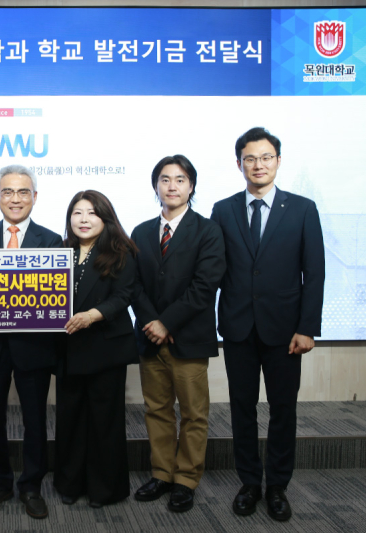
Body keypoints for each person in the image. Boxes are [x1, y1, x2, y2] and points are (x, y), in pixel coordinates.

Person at [210, 127, 325, 521]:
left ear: (278, 160)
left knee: (282, 409)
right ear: (239, 163)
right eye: (250, 158)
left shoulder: (303, 209)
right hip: (238, 327)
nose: (258, 165)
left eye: (265, 157)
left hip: (285, 330)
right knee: (241, 407)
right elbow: (215, 270)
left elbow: (315, 272)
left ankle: (277, 485)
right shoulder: (223, 210)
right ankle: (249, 482)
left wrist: (307, 327)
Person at [131, 155, 225, 512]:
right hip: (150, 339)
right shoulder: (141, 232)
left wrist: (167, 323)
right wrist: (152, 323)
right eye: (165, 179)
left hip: (189, 338)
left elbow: (205, 285)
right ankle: (162, 473)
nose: (172, 186)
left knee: (193, 413)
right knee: (156, 410)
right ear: (156, 186)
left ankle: (186, 479)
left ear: (191, 186)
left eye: (180, 179)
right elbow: (134, 285)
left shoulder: (208, 230)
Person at [0, 165, 62, 519]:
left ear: (35, 197)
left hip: (33, 348)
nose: (15, 199)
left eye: (23, 192)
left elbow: (55, 297)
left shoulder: (51, 241)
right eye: (8, 192)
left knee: (35, 421)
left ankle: (32, 486)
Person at [54, 190, 138, 508]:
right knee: (70, 418)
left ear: (105, 218)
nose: (84, 219)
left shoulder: (121, 252)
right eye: (77, 212)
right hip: (68, 348)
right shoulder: (60, 252)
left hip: (105, 348)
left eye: (92, 213)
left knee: (105, 422)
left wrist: (92, 315)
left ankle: (105, 489)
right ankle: (70, 483)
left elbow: (123, 296)